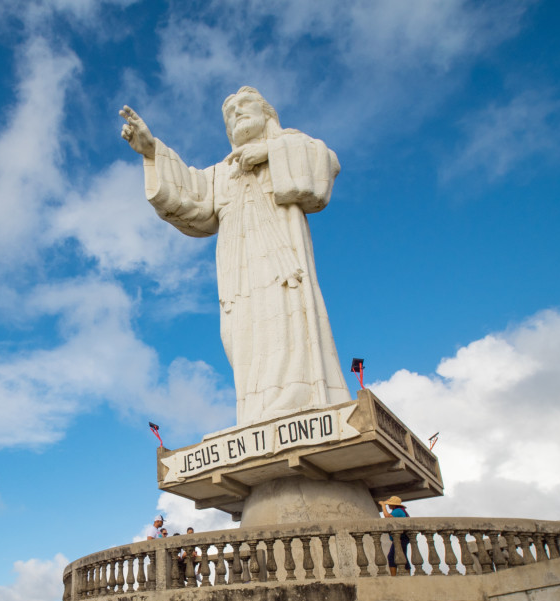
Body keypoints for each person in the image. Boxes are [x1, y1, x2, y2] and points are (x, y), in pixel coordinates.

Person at [120, 88, 352, 426]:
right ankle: (256, 413)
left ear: (267, 114)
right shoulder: (222, 173)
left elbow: (323, 163)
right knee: (239, 335)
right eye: (230, 112)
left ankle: (296, 403)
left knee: (287, 321)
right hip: (237, 276)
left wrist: (268, 152)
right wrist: (152, 150)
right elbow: (189, 196)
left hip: (283, 266)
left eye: (245, 106)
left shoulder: (288, 145)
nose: (237, 113)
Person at [380, 496, 410, 576]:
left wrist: (383, 506)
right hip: (402, 537)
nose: (389, 506)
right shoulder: (400, 510)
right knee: (403, 556)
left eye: (390, 504)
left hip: (400, 538)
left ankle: (394, 576)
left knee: (391, 556)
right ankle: (407, 574)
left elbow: (387, 517)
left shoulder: (398, 511)